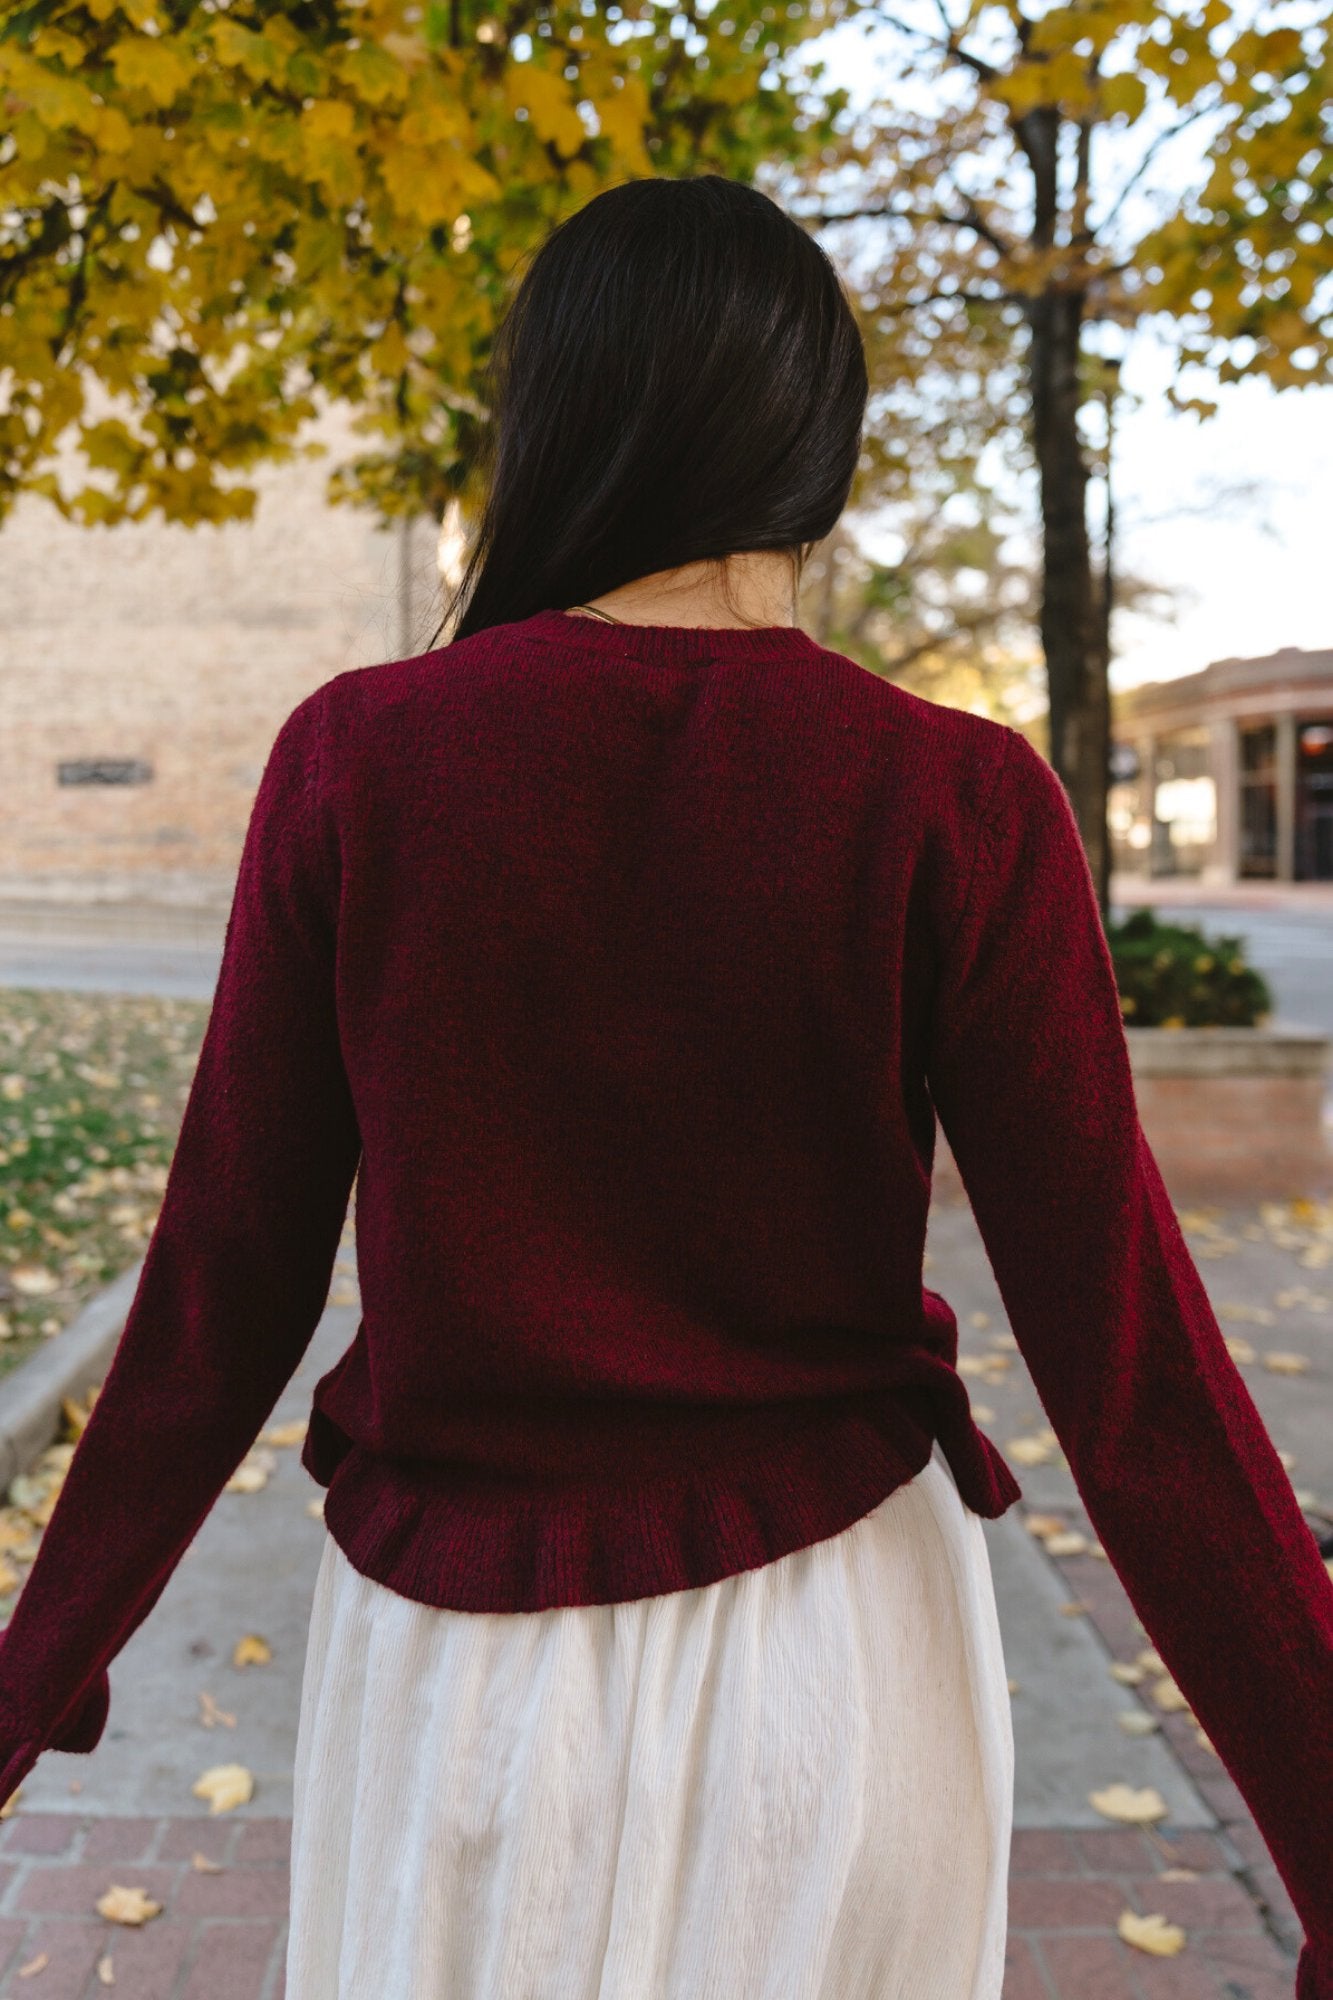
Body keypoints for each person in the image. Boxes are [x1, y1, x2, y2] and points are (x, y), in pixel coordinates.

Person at [0, 173, 1327, 2000]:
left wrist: (42, 1659)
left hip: (451, 1681)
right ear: (820, 443)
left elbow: (216, 1296)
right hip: (844, 1674)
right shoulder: (950, 797)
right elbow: (1134, 1367)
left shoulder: (357, 766)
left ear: (550, 420)